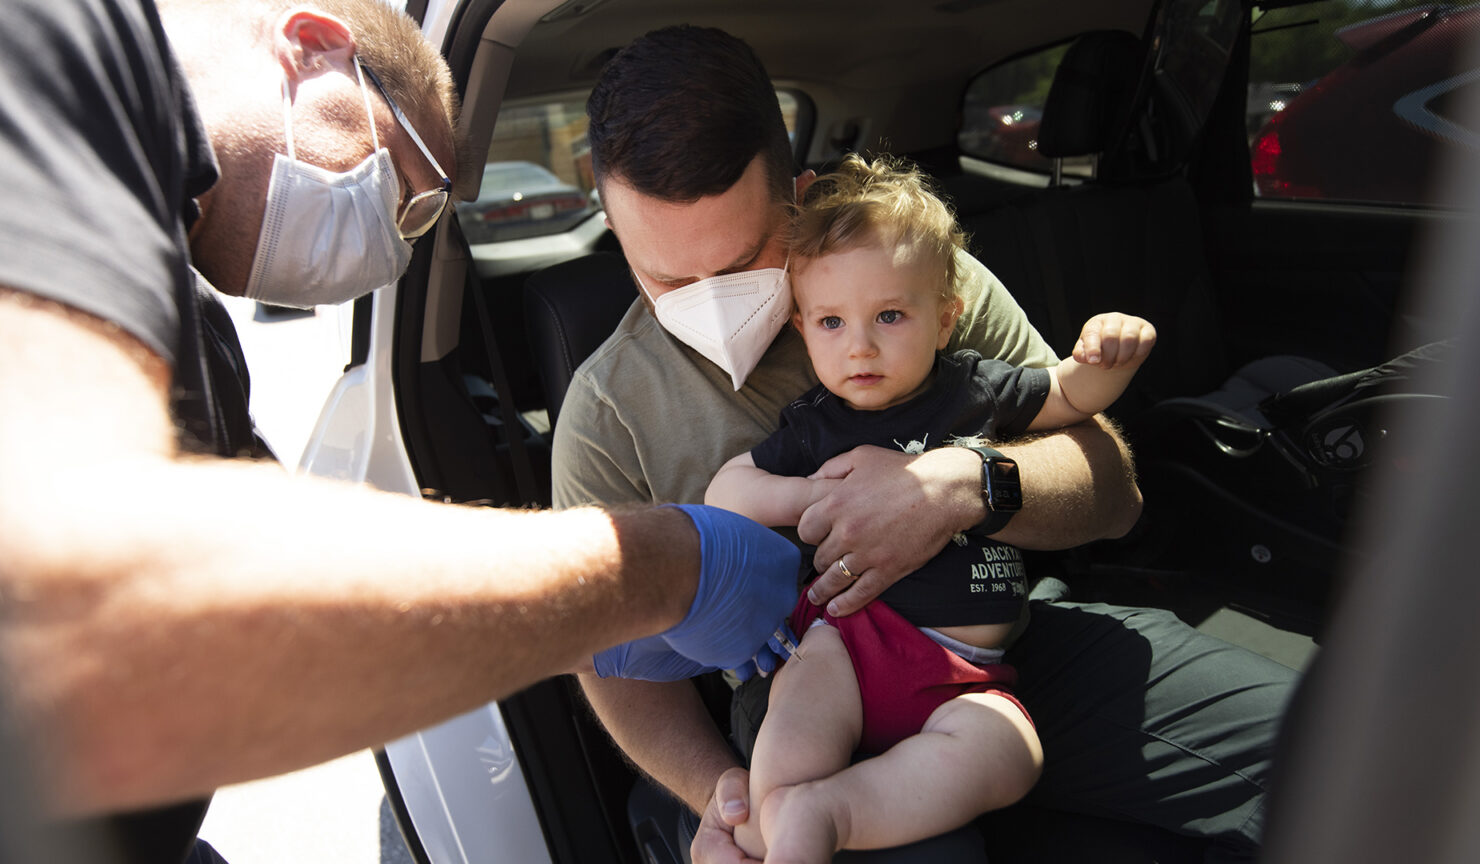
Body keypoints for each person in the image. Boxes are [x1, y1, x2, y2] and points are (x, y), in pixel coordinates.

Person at [0, 2, 799, 862]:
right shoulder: (56, 46)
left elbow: (285, 633)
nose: (391, 243)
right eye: (404, 192)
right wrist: (665, 566)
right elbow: (76, 598)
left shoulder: (193, 334)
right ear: (314, 48)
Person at [558, 23, 1297, 863]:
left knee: (1323, 746)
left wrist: (963, 485)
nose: (711, 302)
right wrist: (717, 799)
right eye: (666, 278)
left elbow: (1112, 486)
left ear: (799, 197)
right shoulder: (609, 413)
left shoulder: (903, 276)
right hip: (806, 693)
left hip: (992, 642)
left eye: (740, 260)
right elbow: (608, 656)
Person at [702, 154, 1157, 861]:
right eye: (830, 322)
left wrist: (1109, 361)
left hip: (969, 672)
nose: (860, 345)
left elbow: (1069, 396)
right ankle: (778, 819)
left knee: (1010, 755)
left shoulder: (975, 389)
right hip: (847, 642)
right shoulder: (815, 424)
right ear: (802, 329)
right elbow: (727, 490)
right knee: (793, 725)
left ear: (945, 320)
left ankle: (829, 814)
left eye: (890, 315)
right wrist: (811, 495)